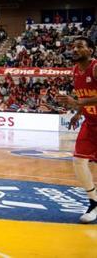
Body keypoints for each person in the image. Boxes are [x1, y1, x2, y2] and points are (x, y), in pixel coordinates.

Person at [56, 37, 97, 223]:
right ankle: (94, 202)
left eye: (80, 46)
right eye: (73, 46)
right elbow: (84, 96)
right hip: (90, 122)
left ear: (91, 51)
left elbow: (81, 98)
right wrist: (78, 113)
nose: (75, 49)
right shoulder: (75, 71)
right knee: (78, 161)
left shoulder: (95, 68)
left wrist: (78, 103)